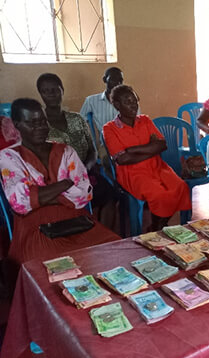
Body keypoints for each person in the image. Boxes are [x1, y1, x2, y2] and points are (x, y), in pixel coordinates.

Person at [0, 98, 119, 290]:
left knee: (112, 248)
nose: (40, 127)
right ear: (17, 125)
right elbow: (21, 203)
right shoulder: (8, 156)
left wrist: (39, 195)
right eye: (32, 123)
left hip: (77, 221)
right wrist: (64, 184)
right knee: (47, 269)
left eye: (42, 121)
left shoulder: (66, 151)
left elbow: (84, 193)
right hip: (34, 227)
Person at [103, 85, 191, 230]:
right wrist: (151, 148)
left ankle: (157, 225)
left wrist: (134, 150)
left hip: (158, 167)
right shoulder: (109, 129)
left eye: (135, 101)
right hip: (132, 173)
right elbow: (122, 160)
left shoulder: (145, 120)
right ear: (117, 105)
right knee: (158, 194)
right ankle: (158, 226)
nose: (133, 105)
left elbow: (162, 145)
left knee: (181, 187)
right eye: (127, 102)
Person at [36, 73, 117, 229]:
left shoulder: (77, 119)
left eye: (55, 89)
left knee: (109, 193)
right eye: (46, 91)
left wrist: (85, 168)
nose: (52, 94)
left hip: (85, 172)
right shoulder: (39, 125)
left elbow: (92, 150)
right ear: (41, 94)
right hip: (58, 179)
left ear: (62, 90)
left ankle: (106, 236)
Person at [80, 67, 126, 131]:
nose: (118, 83)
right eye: (113, 79)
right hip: (102, 136)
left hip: (124, 136)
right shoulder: (91, 101)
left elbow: (137, 123)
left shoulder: (130, 102)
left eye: (120, 80)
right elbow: (80, 122)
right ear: (104, 79)